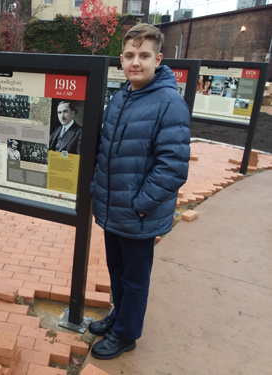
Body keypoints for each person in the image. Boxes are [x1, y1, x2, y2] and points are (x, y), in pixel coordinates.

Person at [88, 23, 190, 360]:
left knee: (134, 278)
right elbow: (105, 151)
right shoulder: (120, 99)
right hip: (113, 207)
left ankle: (127, 334)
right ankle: (120, 317)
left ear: (158, 59)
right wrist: (96, 188)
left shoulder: (169, 103)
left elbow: (172, 166)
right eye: (130, 55)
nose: (136, 62)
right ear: (121, 59)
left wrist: (142, 204)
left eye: (144, 56)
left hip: (138, 213)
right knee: (116, 271)